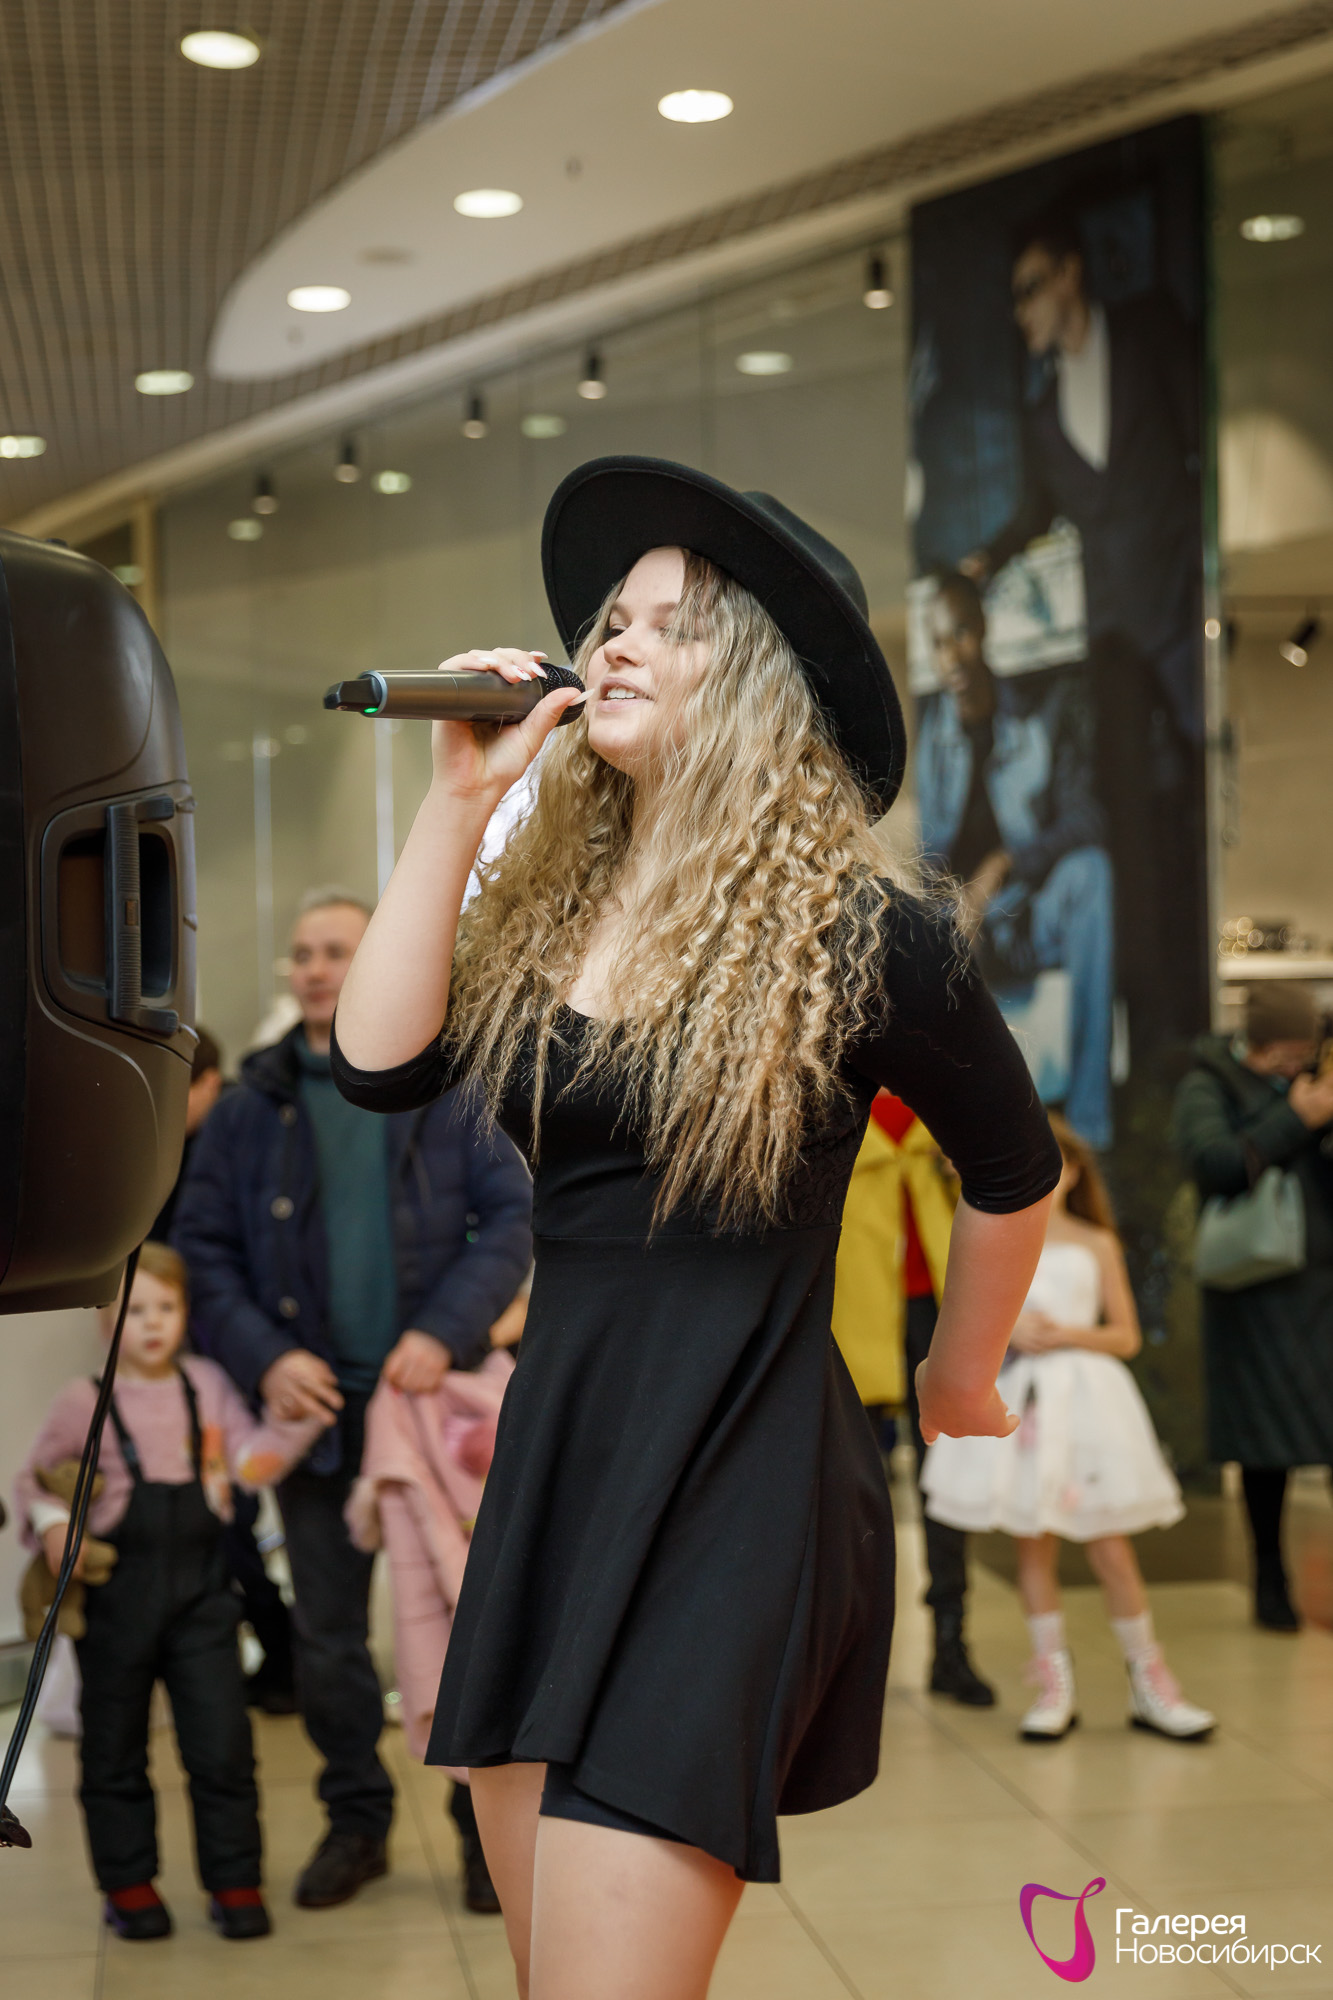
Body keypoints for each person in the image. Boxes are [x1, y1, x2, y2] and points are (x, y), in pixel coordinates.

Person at [330, 454, 1061, 1999]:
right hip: (563, 1456)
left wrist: (958, 1378)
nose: (617, 645)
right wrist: (458, 802)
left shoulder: (863, 934)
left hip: (744, 1467)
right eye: (614, 620)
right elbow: (378, 1065)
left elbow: (1014, 1167)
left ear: (758, 687)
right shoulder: (545, 903)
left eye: (672, 626)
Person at [171, 889, 533, 1912]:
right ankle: (356, 1822)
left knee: (467, 1624)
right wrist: (266, 1360)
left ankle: (478, 1831)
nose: (315, 968)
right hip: (316, 1420)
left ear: (379, 958)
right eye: (303, 953)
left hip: (435, 1416)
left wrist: (442, 1330)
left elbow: (511, 1218)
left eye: (337, 950)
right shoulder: (249, 1105)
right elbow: (203, 1250)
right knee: (329, 1640)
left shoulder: (450, 1082)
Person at [14, 1244, 329, 1940]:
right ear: (105, 1319)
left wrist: (298, 1421)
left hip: (203, 1598)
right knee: (114, 1750)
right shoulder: (83, 1401)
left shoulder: (207, 1384)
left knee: (222, 1747)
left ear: (186, 1313)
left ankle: (235, 1880)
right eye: (136, 1310)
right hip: (115, 1601)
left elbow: (247, 1464)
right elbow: (34, 1480)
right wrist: (55, 1525)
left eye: (167, 1307)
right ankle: (129, 1885)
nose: (153, 1323)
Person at [961, 207, 1205, 1048]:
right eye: (1014, 297)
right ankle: (1158, 1020)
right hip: (1112, 641)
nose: (1021, 310)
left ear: (1070, 274)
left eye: (1030, 288)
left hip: (1180, 613)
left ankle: (1195, 1005)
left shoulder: (1148, 335)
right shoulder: (1043, 410)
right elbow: (1039, 509)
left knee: (1191, 801)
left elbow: (1195, 442)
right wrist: (986, 560)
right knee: (1128, 826)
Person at [923, 1116, 1214, 1742]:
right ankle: (1053, 1683)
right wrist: (1011, 1333)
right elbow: (965, 1326)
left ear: (1075, 1173)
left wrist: (1066, 1334)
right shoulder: (990, 1242)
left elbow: (1126, 1336)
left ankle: (1150, 1679)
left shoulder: (1096, 1244)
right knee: (1034, 1542)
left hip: (1087, 1407)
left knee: (1110, 1546)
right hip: (1025, 1407)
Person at [916, 569, 1113, 1145]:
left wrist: (1004, 865)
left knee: (1092, 873)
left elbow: (1089, 819)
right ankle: (968, 1136)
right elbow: (929, 858)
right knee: (926, 920)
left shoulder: (1039, 715)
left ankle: (1090, 1127)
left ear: (982, 629)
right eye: (937, 642)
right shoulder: (933, 733)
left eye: (959, 634)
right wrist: (955, 906)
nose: (951, 656)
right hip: (964, 922)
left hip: (1027, 910)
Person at [1173, 981, 1333, 1630]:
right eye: (1282, 1054)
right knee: (1265, 1448)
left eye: (1302, 1053)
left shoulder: (1316, 1077)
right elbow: (1213, 1163)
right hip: (1254, 1296)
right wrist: (1296, 1118)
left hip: (1323, 1286)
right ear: (1255, 1043)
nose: (1293, 1065)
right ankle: (1269, 1578)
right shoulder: (1207, 1084)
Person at [832, 1090, 994, 1705]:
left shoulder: (942, 1099)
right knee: (853, 1494)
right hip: (852, 1318)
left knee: (947, 1484)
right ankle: (847, 1659)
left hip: (938, 1317)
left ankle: (951, 1642)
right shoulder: (829, 1095)